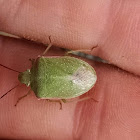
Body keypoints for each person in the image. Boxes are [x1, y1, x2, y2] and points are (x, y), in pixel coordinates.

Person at [0, 1, 140, 139]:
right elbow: (48, 51)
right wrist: (49, 45)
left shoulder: (39, 93)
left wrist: (23, 97)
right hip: (77, 69)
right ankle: (89, 51)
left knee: (64, 101)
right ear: (27, 71)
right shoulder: (39, 62)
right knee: (67, 54)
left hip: (73, 84)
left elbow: (44, 98)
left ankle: (87, 97)